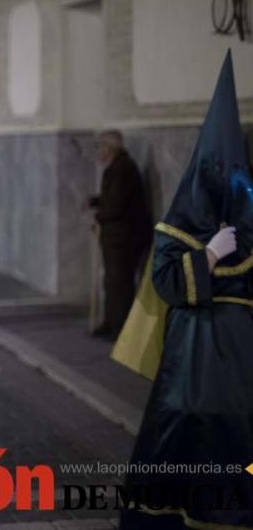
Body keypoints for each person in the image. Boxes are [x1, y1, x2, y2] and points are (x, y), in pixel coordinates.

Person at [121, 51, 253, 530]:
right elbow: (168, 283)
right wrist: (211, 255)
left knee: (234, 437)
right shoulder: (176, 225)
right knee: (181, 427)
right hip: (192, 355)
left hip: (239, 364)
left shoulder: (250, 226)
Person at [86, 130, 151, 338]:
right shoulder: (116, 169)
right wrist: (95, 202)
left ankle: (121, 328)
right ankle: (111, 322)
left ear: (110, 148)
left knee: (120, 283)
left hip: (124, 238)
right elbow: (111, 198)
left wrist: (99, 217)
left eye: (99, 147)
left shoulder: (123, 170)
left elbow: (115, 206)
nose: (97, 152)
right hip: (117, 236)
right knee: (112, 282)